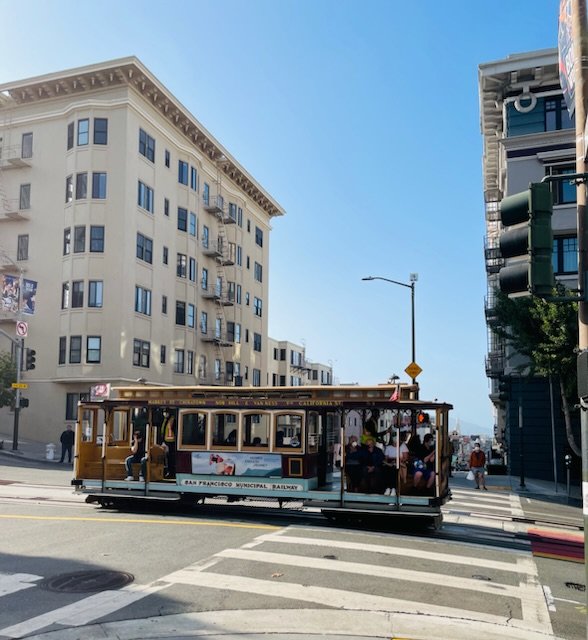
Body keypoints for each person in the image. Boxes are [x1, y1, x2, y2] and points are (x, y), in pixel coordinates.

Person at [382, 432, 409, 496]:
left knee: (394, 469)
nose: (395, 442)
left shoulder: (403, 446)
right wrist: (390, 461)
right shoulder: (388, 447)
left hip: (400, 462)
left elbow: (405, 458)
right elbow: (386, 458)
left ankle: (393, 488)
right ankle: (388, 488)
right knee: (386, 469)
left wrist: (398, 460)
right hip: (390, 463)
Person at [160, 409, 176, 478]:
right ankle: (167, 471)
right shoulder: (165, 420)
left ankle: (171, 472)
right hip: (166, 441)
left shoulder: (172, 420)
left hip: (171, 442)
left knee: (171, 458)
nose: (165, 414)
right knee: (166, 457)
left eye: (166, 412)